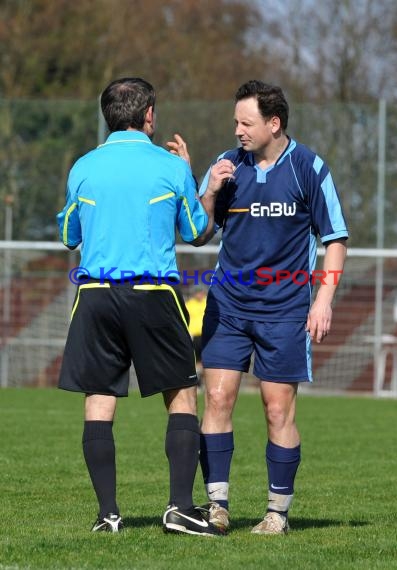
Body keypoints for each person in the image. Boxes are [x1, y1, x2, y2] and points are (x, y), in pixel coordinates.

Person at [167, 80, 348, 535]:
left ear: (274, 123)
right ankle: (217, 506)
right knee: (219, 397)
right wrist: (207, 189)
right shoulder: (227, 166)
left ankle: (276, 515)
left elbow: (336, 240)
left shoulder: (309, 168)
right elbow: (199, 234)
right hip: (227, 307)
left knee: (276, 409)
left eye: (246, 122)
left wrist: (323, 299)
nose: (238, 130)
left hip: (285, 311)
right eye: (235, 122)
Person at [56, 77, 223, 536]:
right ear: (148, 115)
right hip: (152, 294)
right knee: (182, 396)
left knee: (99, 400)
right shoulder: (167, 167)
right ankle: (180, 509)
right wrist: (190, 175)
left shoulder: (83, 167)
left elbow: (69, 235)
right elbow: (193, 229)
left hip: (93, 296)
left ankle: (108, 514)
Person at [185, 286, 207, 380]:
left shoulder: (208, 302)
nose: (199, 294)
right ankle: (198, 381)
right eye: (197, 292)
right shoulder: (189, 304)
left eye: (201, 292)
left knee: (206, 359)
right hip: (194, 336)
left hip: (206, 334)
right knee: (196, 359)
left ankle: (206, 381)